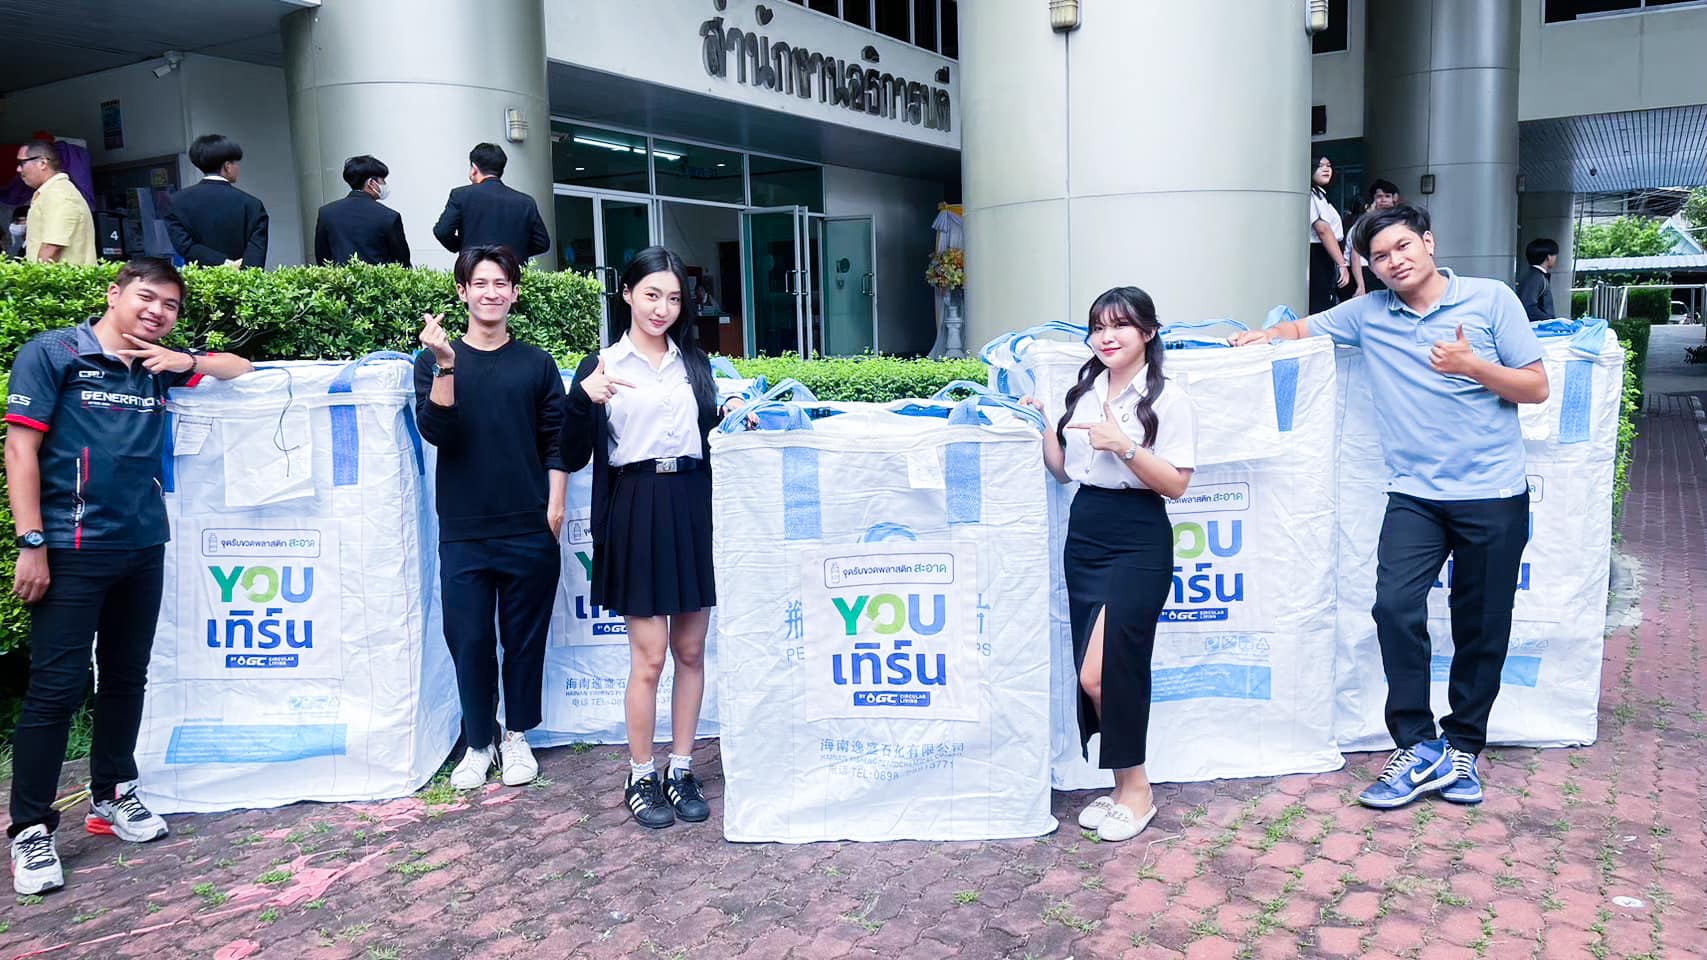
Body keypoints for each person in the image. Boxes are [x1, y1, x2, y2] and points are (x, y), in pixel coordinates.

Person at [1232, 204, 1549, 810]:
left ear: (1428, 242)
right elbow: (1301, 330)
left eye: (1403, 247)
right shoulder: (1370, 313)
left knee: (1482, 626)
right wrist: (1261, 337)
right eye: (1379, 257)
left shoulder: (1491, 300)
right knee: (1394, 608)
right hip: (1415, 497)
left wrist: (1473, 366)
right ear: (1370, 268)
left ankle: (1463, 745)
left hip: (1492, 495)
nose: (1394, 262)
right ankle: (1417, 743)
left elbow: (1536, 387)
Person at [6, 257, 254, 895]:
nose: (157, 312)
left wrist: (186, 360)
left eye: (170, 305)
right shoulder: (54, 353)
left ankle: (113, 793)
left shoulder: (158, 365)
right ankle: (30, 828)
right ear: (114, 294)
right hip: (71, 545)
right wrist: (31, 542)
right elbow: (20, 448)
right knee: (56, 689)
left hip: (143, 543)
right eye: (147, 297)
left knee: (125, 676)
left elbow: (240, 368)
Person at [561, 246, 747, 830]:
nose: (662, 308)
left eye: (672, 298)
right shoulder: (602, 365)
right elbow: (571, 451)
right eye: (651, 295)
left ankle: (681, 767)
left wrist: (734, 407)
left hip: (692, 504)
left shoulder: (696, 363)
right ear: (626, 294)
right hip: (635, 506)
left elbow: (715, 429)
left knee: (691, 651)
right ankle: (640, 774)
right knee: (650, 657)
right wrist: (580, 400)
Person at [1019, 287, 1196, 844]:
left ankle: (1137, 789)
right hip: (1086, 531)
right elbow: (1064, 472)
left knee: (1108, 671)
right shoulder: (1086, 389)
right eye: (1098, 327)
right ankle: (1122, 789)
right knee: (1093, 671)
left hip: (1138, 536)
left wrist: (1125, 446)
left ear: (1148, 332)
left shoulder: (1167, 397)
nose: (1106, 336)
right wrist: (1042, 424)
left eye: (1120, 325)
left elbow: (1177, 485)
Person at [413, 244, 567, 791]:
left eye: (501, 283)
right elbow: (437, 431)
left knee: (524, 640)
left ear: (515, 293)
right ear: (462, 292)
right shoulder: (435, 360)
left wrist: (555, 506)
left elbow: (556, 438)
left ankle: (518, 736)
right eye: (480, 283)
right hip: (464, 530)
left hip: (529, 525)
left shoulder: (536, 363)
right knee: (470, 639)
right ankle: (479, 741)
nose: (491, 292)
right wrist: (446, 365)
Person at [432, 143, 550, 262]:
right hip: (511, 270)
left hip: (473, 267)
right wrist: (513, 252)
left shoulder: (460, 195)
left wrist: (466, 247)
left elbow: (442, 232)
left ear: (474, 169)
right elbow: (542, 243)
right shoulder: (526, 202)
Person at [164, 134, 268, 268]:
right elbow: (256, 252)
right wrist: (237, 268)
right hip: (242, 280)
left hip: (200, 279)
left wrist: (224, 263)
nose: (238, 168)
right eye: (236, 163)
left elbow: (186, 246)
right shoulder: (252, 204)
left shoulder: (176, 202)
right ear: (227, 166)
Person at [313, 155, 411, 266]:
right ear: (371, 183)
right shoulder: (389, 216)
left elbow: (322, 258)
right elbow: (402, 262)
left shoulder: (326, 213)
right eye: (383, 180)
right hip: (378, 277)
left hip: (339, 277)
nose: (384, 184)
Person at [14, 142, 96, 265]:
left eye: (22, 163)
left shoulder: (58, 194)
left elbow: (52, 248)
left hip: (60, 277)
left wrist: (36, 276)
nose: (18, 169)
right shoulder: (51, 192)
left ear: (42, 163)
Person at [1309, 156, 1354, 314]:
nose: (1326, 169)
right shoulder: (1311, 195)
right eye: (1320, 166)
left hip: (1326, 252)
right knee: (1320, 302)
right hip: (1318, 252)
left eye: (1328, 165)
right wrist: (1342, 264)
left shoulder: (1320, 194)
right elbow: (1323, 230)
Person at [1360, 180, 1403, 294]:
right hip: (1371, 269)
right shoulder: (1366, 221)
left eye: (1387, 196)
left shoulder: (1402, 219)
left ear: (1394, 198)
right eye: (1379, 196)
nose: (1383, 200)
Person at [1517, 238, 1559, 323]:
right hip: (1538, 327)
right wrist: (1550, 321)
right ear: (1549, 257)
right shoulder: (1536, 277)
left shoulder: (1533, 275)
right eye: (1555, 255)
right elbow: (1528, 306)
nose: (1556, 258)